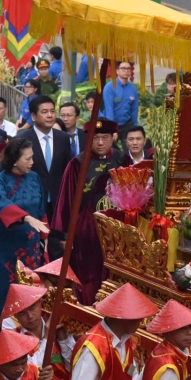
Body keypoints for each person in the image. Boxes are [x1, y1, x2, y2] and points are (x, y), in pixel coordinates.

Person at [49, 118, 120, 303]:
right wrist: (65, 235)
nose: (100, 143)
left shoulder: (122, 160)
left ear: (113, 137)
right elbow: (66, 200)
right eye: (95, 138)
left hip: (117, 232)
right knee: (87, 275)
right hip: (86, 232)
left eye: (105, 138)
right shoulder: (77, 163)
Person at [0, 138, 48, 345]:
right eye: (27, 158)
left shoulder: (35, 177)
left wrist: (45, 235)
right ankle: (5, 336)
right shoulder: (0, 180)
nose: (32, 162)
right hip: (7, 245)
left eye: (32, 158)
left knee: (31, 286)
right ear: (14, 160)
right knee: (7, 288)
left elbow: (40, 208)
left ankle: (31, 332)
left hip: (31, 244)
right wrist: (26, 218)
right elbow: (2, 205)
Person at [23, 95, 71, 222]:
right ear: (33, 116)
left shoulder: (63, 138)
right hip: (32, 202)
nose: (50, 115)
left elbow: (67, 169)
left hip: (58, 202)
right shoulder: (22, 140)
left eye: (52, 111)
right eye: (44, 112)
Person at [102, 62, 139, 127]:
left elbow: (134, 109)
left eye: (128, 69)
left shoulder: (133, 89)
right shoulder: (109, 87)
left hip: (127, 123)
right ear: (117, 71)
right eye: (123, 68)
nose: (126, 71)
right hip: (112, 123)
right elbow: (109, 110)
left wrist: (135, 126)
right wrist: (112, 128)